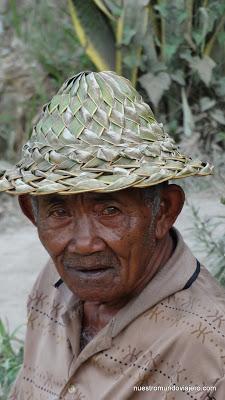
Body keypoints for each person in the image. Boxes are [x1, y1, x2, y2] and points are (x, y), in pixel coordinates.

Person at [1, 71, 224, 400]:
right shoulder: (53, 284)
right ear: (31, 215)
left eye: (109, 211)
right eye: (59, 212)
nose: (84, 243)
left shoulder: (209, 347)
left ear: (164, 210)